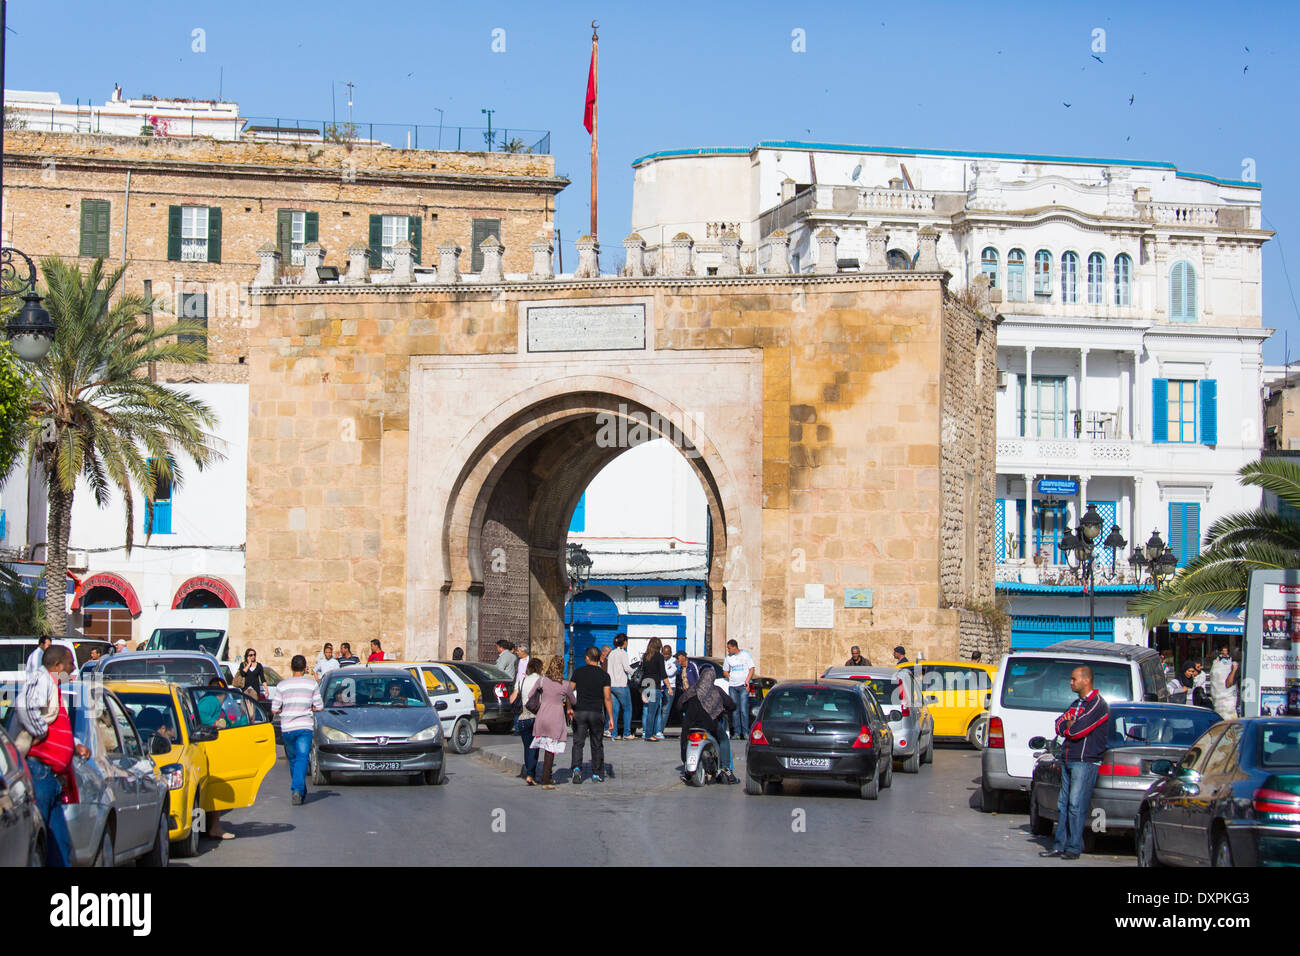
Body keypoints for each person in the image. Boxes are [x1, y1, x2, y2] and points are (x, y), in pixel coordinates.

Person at [17, 645, 88, 866]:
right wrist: (39, 731)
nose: (73, 668)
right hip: (39, 773)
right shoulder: (42, 680)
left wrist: (73, 745)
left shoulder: (54, 688)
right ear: (57, 666)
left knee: (59, 844)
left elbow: (57, 724)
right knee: (36, 840)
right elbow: (24, 705)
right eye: (70, 664)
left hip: (52, 779)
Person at [1041, 665, 1109, 860]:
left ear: (1086, 680)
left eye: (1074, 679)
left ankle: (1073, 847)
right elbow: (1059, 723)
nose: (1071, 682)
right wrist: (1068, 725)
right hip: (1068, 759)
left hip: (1085, 762)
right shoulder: (1075, 704)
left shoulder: (1098, 705)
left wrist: (1071, 726)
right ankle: (1059, 845)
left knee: (1076, 805)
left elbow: (1079, 730)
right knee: (1063, 804)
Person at [269, 655, 324, 805]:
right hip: (304, 727)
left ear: (291, 667)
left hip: (287, 728)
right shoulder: (312, 684)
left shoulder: (282, 685)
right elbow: (319, 707)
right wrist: (309, 707)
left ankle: (298, 790)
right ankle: (298, 790)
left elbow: (274, 709)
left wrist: (285, 708)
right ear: (305, 667)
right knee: (302, 758)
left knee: (294, 760)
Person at [678, 666, 738, 784]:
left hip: (690, 725)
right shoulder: (716, 690)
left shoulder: (692, 690)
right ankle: (726, 769)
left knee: (684, 740)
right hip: (709, 724)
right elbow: (731, 705)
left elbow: (679, 705)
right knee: (724, 739)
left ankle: (686, 765)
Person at [569, 646, 614, 784]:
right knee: (597, 743)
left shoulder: (578, 672)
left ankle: (577, 768)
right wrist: (611, 717)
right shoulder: (604, 676)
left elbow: (569, 692)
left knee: (578, 742)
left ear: (587, 658)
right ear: (599, 658)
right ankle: (596, 773)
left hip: (580, 712)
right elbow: (607, 697)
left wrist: (569, 708)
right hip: (596, 712)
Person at [529, 656, 572, 789]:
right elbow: (574, 700)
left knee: (538, 745)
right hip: (556, 718)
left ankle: (534, 773)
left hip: (542, 715)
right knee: (550, 749)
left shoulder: (541, 681)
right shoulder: (565, 684)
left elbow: (531, 694)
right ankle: (546, 779)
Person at [515, 658, 543, 785]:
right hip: (537, 717)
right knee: (535, 747)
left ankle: (528, 771)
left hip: (522, 717)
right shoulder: (541, 681)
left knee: (527, 747)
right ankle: (531, 774)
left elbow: (513, 698)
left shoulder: (522, 681)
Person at [723, 639, 755, 740]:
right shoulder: (728, 658)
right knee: (735, 710)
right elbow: (725, 671)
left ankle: (746, 732)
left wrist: (747, 681)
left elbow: (751, 669)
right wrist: (731, 677)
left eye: (729, 648)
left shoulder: (745, 655)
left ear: (734, 647)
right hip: (733, 686)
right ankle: (737, 732)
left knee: (743, 710)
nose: (728, 651)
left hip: (743, 686)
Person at [641, 637, 669, 741]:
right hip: (653, 685)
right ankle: (649, 735)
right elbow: (663, 673)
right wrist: (669, 687)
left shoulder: (645, 656)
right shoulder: (659, 657)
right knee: (652, 711)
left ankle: (647, 732)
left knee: (647, 711)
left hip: (646, 684)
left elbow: (643, 671)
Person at [607, 634, 634, 740]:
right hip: (621, 685)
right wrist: (634, 672)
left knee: (614, 710)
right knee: (628, 708)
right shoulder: (623, 653)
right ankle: (627, 733)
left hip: (612, 684)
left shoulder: (611, 653)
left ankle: (614, 733)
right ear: (624, 642)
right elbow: (627, 668)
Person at [1208, 644, 1240, 720]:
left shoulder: (1216, 663)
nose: (1225, 653)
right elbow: (1228, 683)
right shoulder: (1222, 664)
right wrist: (1234, 669)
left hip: (1222, 704)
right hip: (1226, 706)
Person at [669, 650, 699, 724]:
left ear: (683, 658)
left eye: (677, 658)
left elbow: (698, 679)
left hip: (694, 693)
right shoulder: (682, 669)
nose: (676, 660)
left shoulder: (692, 665)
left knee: (694, 713)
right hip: (686, 694)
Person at [659, 645, 678, 738]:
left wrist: (661, 671)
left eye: (667, 654)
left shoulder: (674, 661)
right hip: (660, 686)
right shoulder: (660, 660)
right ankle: (656, 729)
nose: (665, 655)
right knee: (658, 709)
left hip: (670, 687)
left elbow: (670, 673)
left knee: (665, 710)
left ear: (670, 653)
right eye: (664, 653)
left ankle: (660, 730)